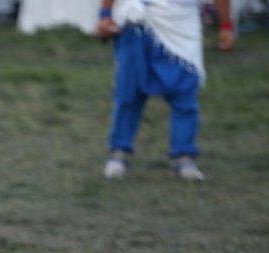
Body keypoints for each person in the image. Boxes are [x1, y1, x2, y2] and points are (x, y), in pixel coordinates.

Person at [98, 0, 236, 182]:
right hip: (137, 23)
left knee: (185, 95)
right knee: (128, 93)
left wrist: (226, 24)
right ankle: (118, 154)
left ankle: (184, 158)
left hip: (181, 24)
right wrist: (105, 15)